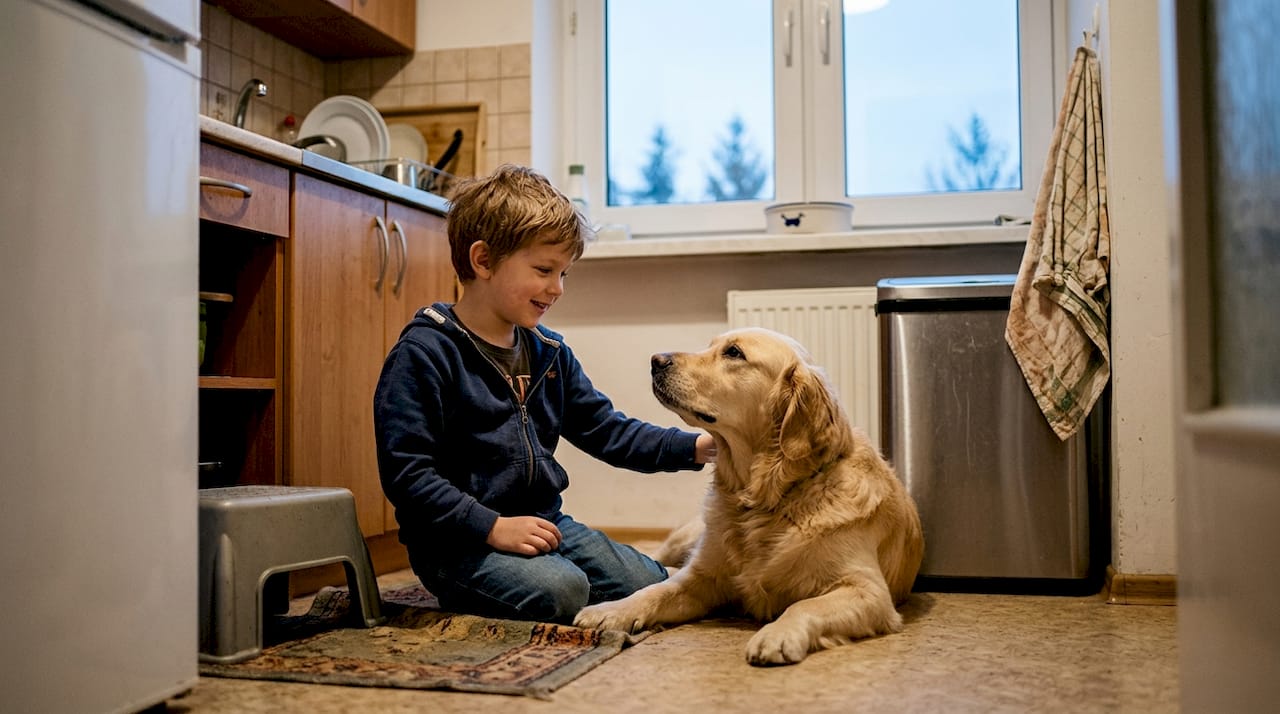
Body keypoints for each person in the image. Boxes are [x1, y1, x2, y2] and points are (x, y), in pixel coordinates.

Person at [374, 164, 716, 624]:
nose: (557, 288)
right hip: (456, 542)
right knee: (563, 591)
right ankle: (501, 583)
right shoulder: (425, 353)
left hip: (544, 523)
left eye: (564, 274)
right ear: (483, 260)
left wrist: (696, 446)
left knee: (655, 586)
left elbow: (606, 430)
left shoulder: (548, 353)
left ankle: (543, 572)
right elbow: (408, 475)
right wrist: (491, 527)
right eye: (544, 270)